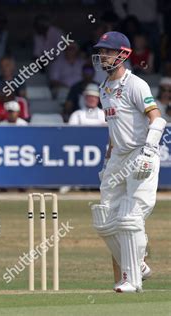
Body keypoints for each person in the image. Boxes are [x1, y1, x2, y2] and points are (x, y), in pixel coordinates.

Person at [91, 31, 166, 293]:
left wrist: (148, 152)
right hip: (118, 158)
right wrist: (108, 159)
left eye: (108, 51)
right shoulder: (103, 89)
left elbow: (158, 120)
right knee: (104, 218)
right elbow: (115, 130)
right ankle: (137, 265)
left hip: (140, 154)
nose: (103, 56)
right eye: (101, 51)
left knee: (130, 218)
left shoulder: (136, 84)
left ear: (122, 54)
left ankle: (131, 279)